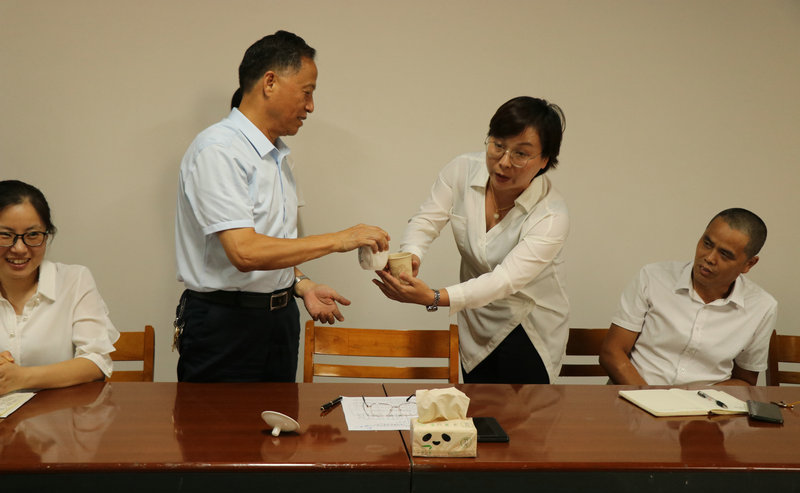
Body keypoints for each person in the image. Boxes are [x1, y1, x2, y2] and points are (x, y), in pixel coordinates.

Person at [175, 31, 389, 383]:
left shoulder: (278, 157)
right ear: (270, 82)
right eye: (307, 92)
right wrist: (340, 239)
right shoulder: (219, 150)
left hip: (280, 319)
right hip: (226, 326)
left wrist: (301, 284)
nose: (311, 106)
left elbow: (273, 244)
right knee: (218, 422)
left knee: (280, 420)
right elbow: (244, 252)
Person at [374, 96, 568, 384]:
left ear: (544, 160)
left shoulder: (551, 215)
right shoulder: (461, 170)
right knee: (476, 408)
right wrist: (412, 254)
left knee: (524, 412)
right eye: (498, 145)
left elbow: (504, 280)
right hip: (475, 320)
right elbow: (426, 220)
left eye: (520, 154)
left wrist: (434, 297)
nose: (504, 162)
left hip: (528, 327)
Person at [599, 208, 777, 386]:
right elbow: (612, 353)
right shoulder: (652, 277)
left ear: (749, 264)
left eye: (724, 254)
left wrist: (697, 399)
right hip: (635, 393)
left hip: (706, 401)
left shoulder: (762, 307)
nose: (709, 258)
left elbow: (744, 381)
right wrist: (650, 398)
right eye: (707, 243)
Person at [0, 180, 118, 395]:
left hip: (58, 414)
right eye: (5, 235)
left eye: (33, 235)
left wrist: (21, 377)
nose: (19, 248)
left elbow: (96, 362)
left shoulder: (74, 280)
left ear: (47, 235)